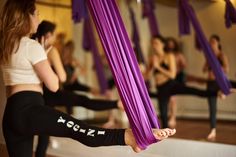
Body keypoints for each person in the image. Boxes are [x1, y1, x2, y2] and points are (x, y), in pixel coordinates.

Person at [0, 0, 176, 156]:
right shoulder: (32, 46)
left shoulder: (5, 46)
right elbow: (53, 85)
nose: (38, 18)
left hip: (11, 113)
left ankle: (130, 137)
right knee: (81, 130)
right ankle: (130, 138)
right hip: (31, 109)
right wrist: (46, 58)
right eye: (36, 14)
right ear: (26, 16)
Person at [147, 35, 221, 128]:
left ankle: (217, 93)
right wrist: (151, 68)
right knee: (163, 113)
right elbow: (146, 77)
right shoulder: (152, 59)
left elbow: (172, 75)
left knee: (192, 90)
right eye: (153, 43)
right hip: (161, 88)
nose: (154, 45)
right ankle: (164, 134)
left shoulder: (169, 56)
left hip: (170, 85)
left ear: (162, 44)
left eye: (156, 43)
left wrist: (158, 67)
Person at [202, 34, 229, 141]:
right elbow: (204, 70)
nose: (211, 43)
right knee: (212, 108)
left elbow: (226, 70)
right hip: (210, 83)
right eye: (210, 42)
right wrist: (209, 63)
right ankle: (213, 130)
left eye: (213, 41)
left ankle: (223, 91)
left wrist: (217, 66)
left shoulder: (222, 55)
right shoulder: (209, 56)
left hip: (220, 82)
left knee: (223, 93)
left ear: (218, 43)